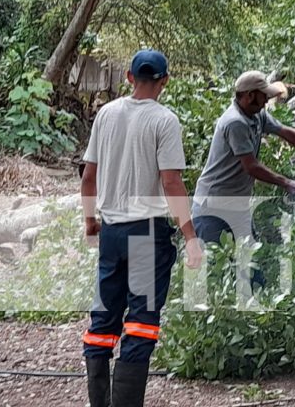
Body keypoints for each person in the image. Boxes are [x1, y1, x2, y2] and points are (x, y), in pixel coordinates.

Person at [80, 49, 203, 407]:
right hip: (147, 235)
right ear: (165, 81)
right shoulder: (164, 120)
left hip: (112, 234)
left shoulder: (106, 114)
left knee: (103, 320)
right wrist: (191, 236)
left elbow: (89, 177)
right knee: (141, 323)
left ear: (130, 78)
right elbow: (172, 183)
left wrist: (91, 222)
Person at [192, 70, 295, 291]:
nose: (267, 99)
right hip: (212, 208)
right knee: (217, 276)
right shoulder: (235, 122)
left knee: (251, 273)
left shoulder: (257, 114)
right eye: (263, 95)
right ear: (249, 96)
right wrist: (288, 183)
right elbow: (252, 167)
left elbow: (287, 132)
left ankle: (252, 315)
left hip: (237, 206)